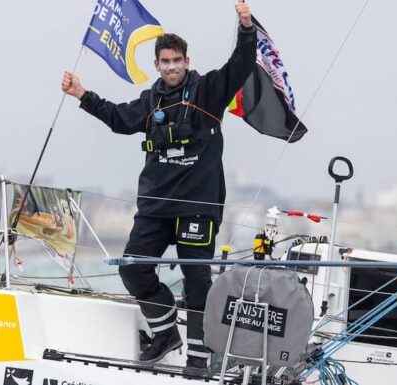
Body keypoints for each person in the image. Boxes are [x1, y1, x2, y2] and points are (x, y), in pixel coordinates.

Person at [61, 1, 257, 373]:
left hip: (197, 206)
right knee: (132, 267)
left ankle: (200, 358)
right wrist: (82, 95)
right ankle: (165, 332)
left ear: (186, 60)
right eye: (165, 61)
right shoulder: (150, 102)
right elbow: (119, 118)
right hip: (155, 206)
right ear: (157, 65)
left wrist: (246, 27)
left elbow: (241, 66)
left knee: (196, 277)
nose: (171, 67)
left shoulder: (208, 92)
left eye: (177, 60)